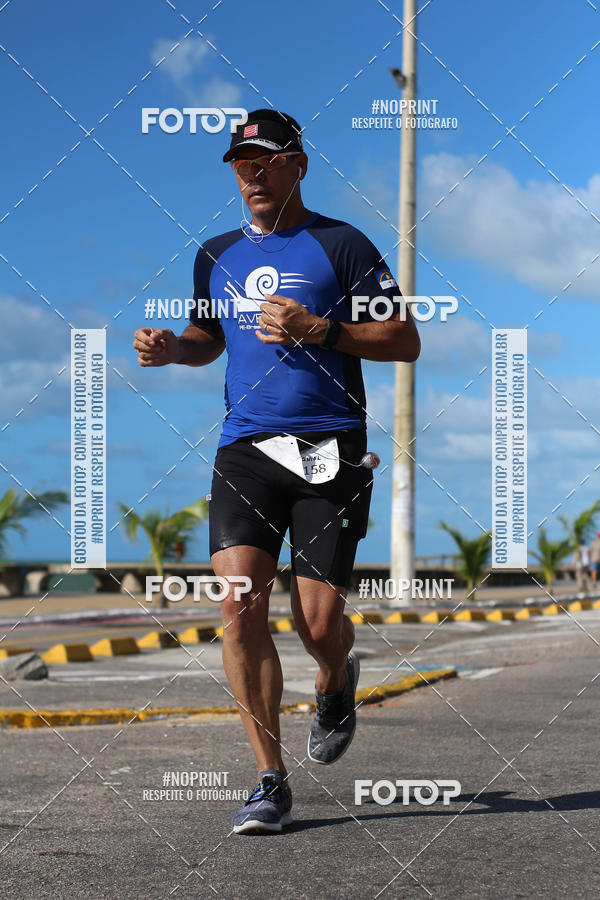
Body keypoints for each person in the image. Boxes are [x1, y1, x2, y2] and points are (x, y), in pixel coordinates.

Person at [132, 109, 420, 834]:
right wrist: (175, 348)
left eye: (266, 160)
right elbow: (209, 337)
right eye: (240, 163)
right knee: (238, 607)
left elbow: (403, 338)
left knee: (318, 625)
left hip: (330, 450)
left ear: (297, 165)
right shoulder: (216, 253)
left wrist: (320, 329)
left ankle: (334, 681)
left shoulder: (342, 244)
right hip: (246, 450)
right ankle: (269, 780)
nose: (251, 174)